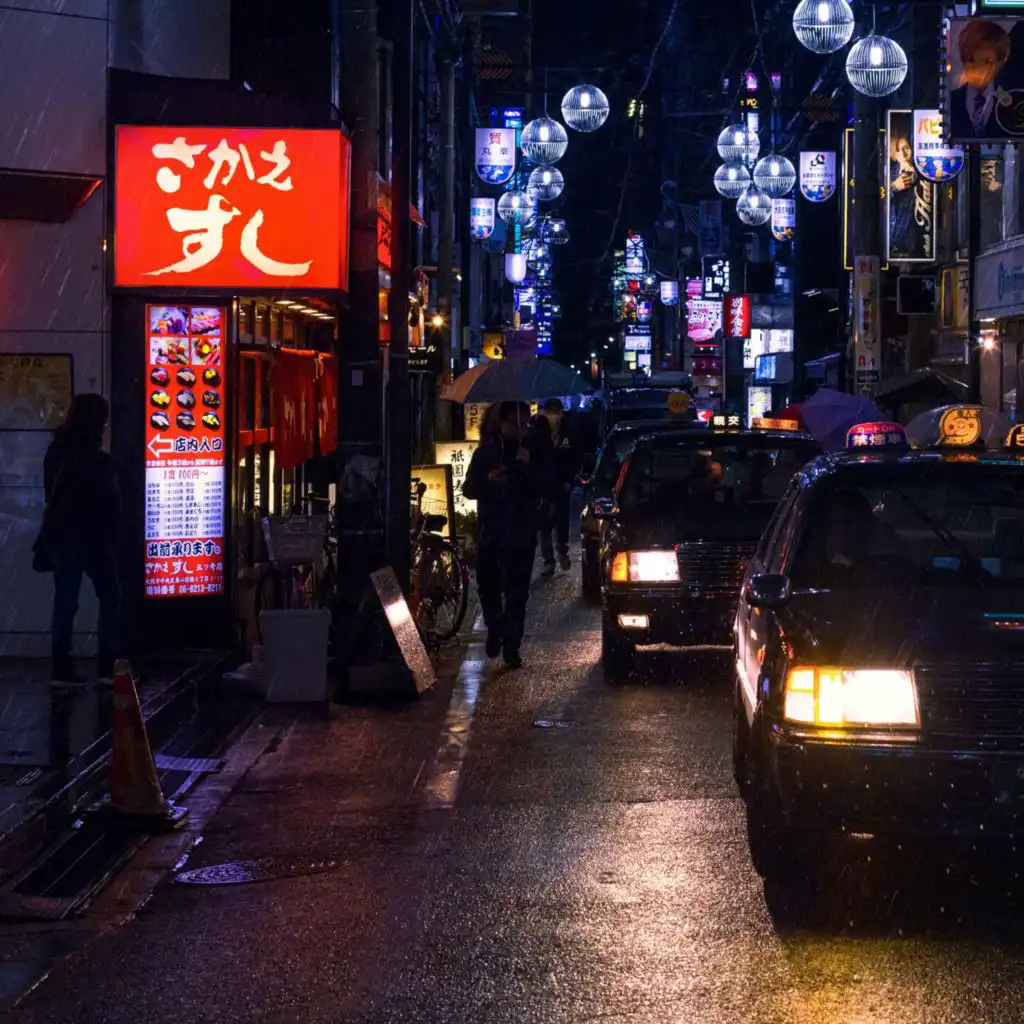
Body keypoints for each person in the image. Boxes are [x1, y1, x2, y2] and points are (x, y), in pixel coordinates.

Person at [38, 394, 123, 683]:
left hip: (62, 537)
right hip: (95, 538)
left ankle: (60, 667)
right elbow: (110, 503)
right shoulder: (98, 459)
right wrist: (116, 533)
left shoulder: (56, 451)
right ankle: (107, 665)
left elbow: (50, 490)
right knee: (111, 596)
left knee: (65, 600)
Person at [463, 401, 546, 669]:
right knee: (489, 588)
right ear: (502, 423)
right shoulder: (486, 453)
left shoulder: (533, 450)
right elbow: (469, 488)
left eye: (525, 424)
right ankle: (495, 629)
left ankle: (512, 645)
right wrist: (489, 482)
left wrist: (527, 467)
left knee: (518, 593)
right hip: (492, 531)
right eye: (514, 423)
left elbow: (546, 486)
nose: (520, 429)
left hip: (522, 531)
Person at [948, 19, 1012, 139]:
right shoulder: (950, 101)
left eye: (987, 61)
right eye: (971, 59)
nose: (977, 68)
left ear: (1000, 63)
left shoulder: (1014, 103)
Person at [542, 399, 580, 572]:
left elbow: (574, 459)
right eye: (549, 410)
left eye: (555, 410)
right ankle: (548, 561)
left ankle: (562, 549)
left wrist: (569, 480)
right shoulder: (539, 433)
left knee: (562, 522)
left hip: (562, 485)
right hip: (543, 485)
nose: (552, 414)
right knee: (544, 524)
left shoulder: (569, 433)